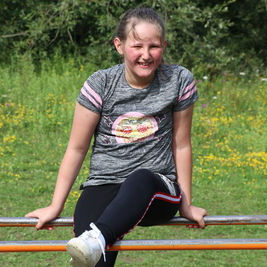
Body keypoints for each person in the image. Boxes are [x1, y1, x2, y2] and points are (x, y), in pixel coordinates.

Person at [25, 7, 207, 267]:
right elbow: (77, 148)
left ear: (164, 46)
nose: (146, 55)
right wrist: (55, 205)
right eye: (137, 46)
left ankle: (96, 238)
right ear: (119, 45)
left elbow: (182, 145)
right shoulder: (100, 84)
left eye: (154, 46)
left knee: (140, 179)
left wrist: (187, 205)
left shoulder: (178, 80)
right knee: (91, 256)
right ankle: (95, 240)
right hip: (105, 183)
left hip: (156, 187)